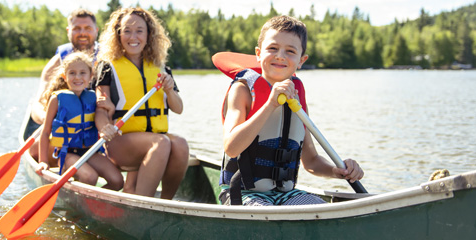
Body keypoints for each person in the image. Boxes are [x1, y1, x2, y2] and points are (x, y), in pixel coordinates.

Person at [219, 15, 364, 206]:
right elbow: (232, 146)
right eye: (272, 48)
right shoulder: (243, 90)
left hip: (285, 195)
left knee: (323, 211)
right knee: (268, 217)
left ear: (301, 60)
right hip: (241, 192)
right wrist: (270, 104)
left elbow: (311, 161)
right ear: (258, 53)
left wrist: (335, 171)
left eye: (290, 51)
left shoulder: (297, 97)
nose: (280, 56)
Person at [94, 7, 189, 199]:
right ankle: (144, 204)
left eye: (139, 30)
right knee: (161, 142)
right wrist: (105, 127)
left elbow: (178, 108)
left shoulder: (161, 68)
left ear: (148, 35)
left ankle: (166, 203)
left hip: (154, 140)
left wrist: (169, 90)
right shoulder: (108, 67)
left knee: (180, 144)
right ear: (118, 34)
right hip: (121, 141)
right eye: (126, 30)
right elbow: (101, 107)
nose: (133, 36)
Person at [35, 52, 123, 191]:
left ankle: (95, 204)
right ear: (65, 76)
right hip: (68, 153)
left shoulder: (93, 98)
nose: (77, 77)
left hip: (91, 151)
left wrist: (111, 110)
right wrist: (43, 161)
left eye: (83, 73)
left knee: (117, 181)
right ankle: (82, 206)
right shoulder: (57, 99)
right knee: (90, 177)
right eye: (72, 73)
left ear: (90, 76)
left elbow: (105, 125)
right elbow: (45, 132)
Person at [28, 9, 100, 136]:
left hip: (98, 124)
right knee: (35, 150)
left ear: (96, 30)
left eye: (88, 28)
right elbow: (38, 104)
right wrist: (48, 120)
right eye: (77, 28)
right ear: (68, 31)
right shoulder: (57, 61)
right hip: (64, 127)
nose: (82, 33)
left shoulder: (106, 57)